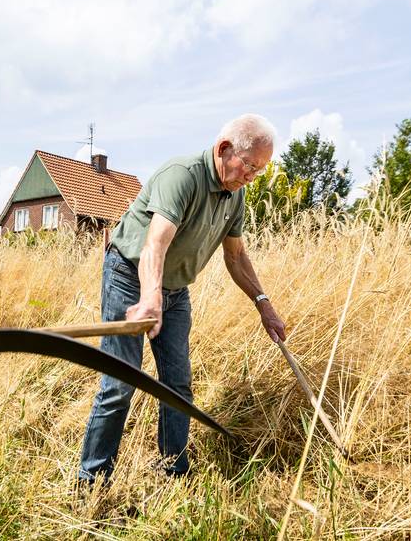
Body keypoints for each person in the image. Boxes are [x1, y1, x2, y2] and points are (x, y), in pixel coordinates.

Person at [78, 113, 288, 482]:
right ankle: (92, 481)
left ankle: (171, 471)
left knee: (177, 385)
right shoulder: (182, 175)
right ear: (224, 149)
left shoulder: (234, 196)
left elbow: (235, 256)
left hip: (175, 293)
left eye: (259, 172)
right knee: (120, 383)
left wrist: (263, 305)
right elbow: (155, 243)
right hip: (128, 277)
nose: (251, 178)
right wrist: (150, 297)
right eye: (249, 167)